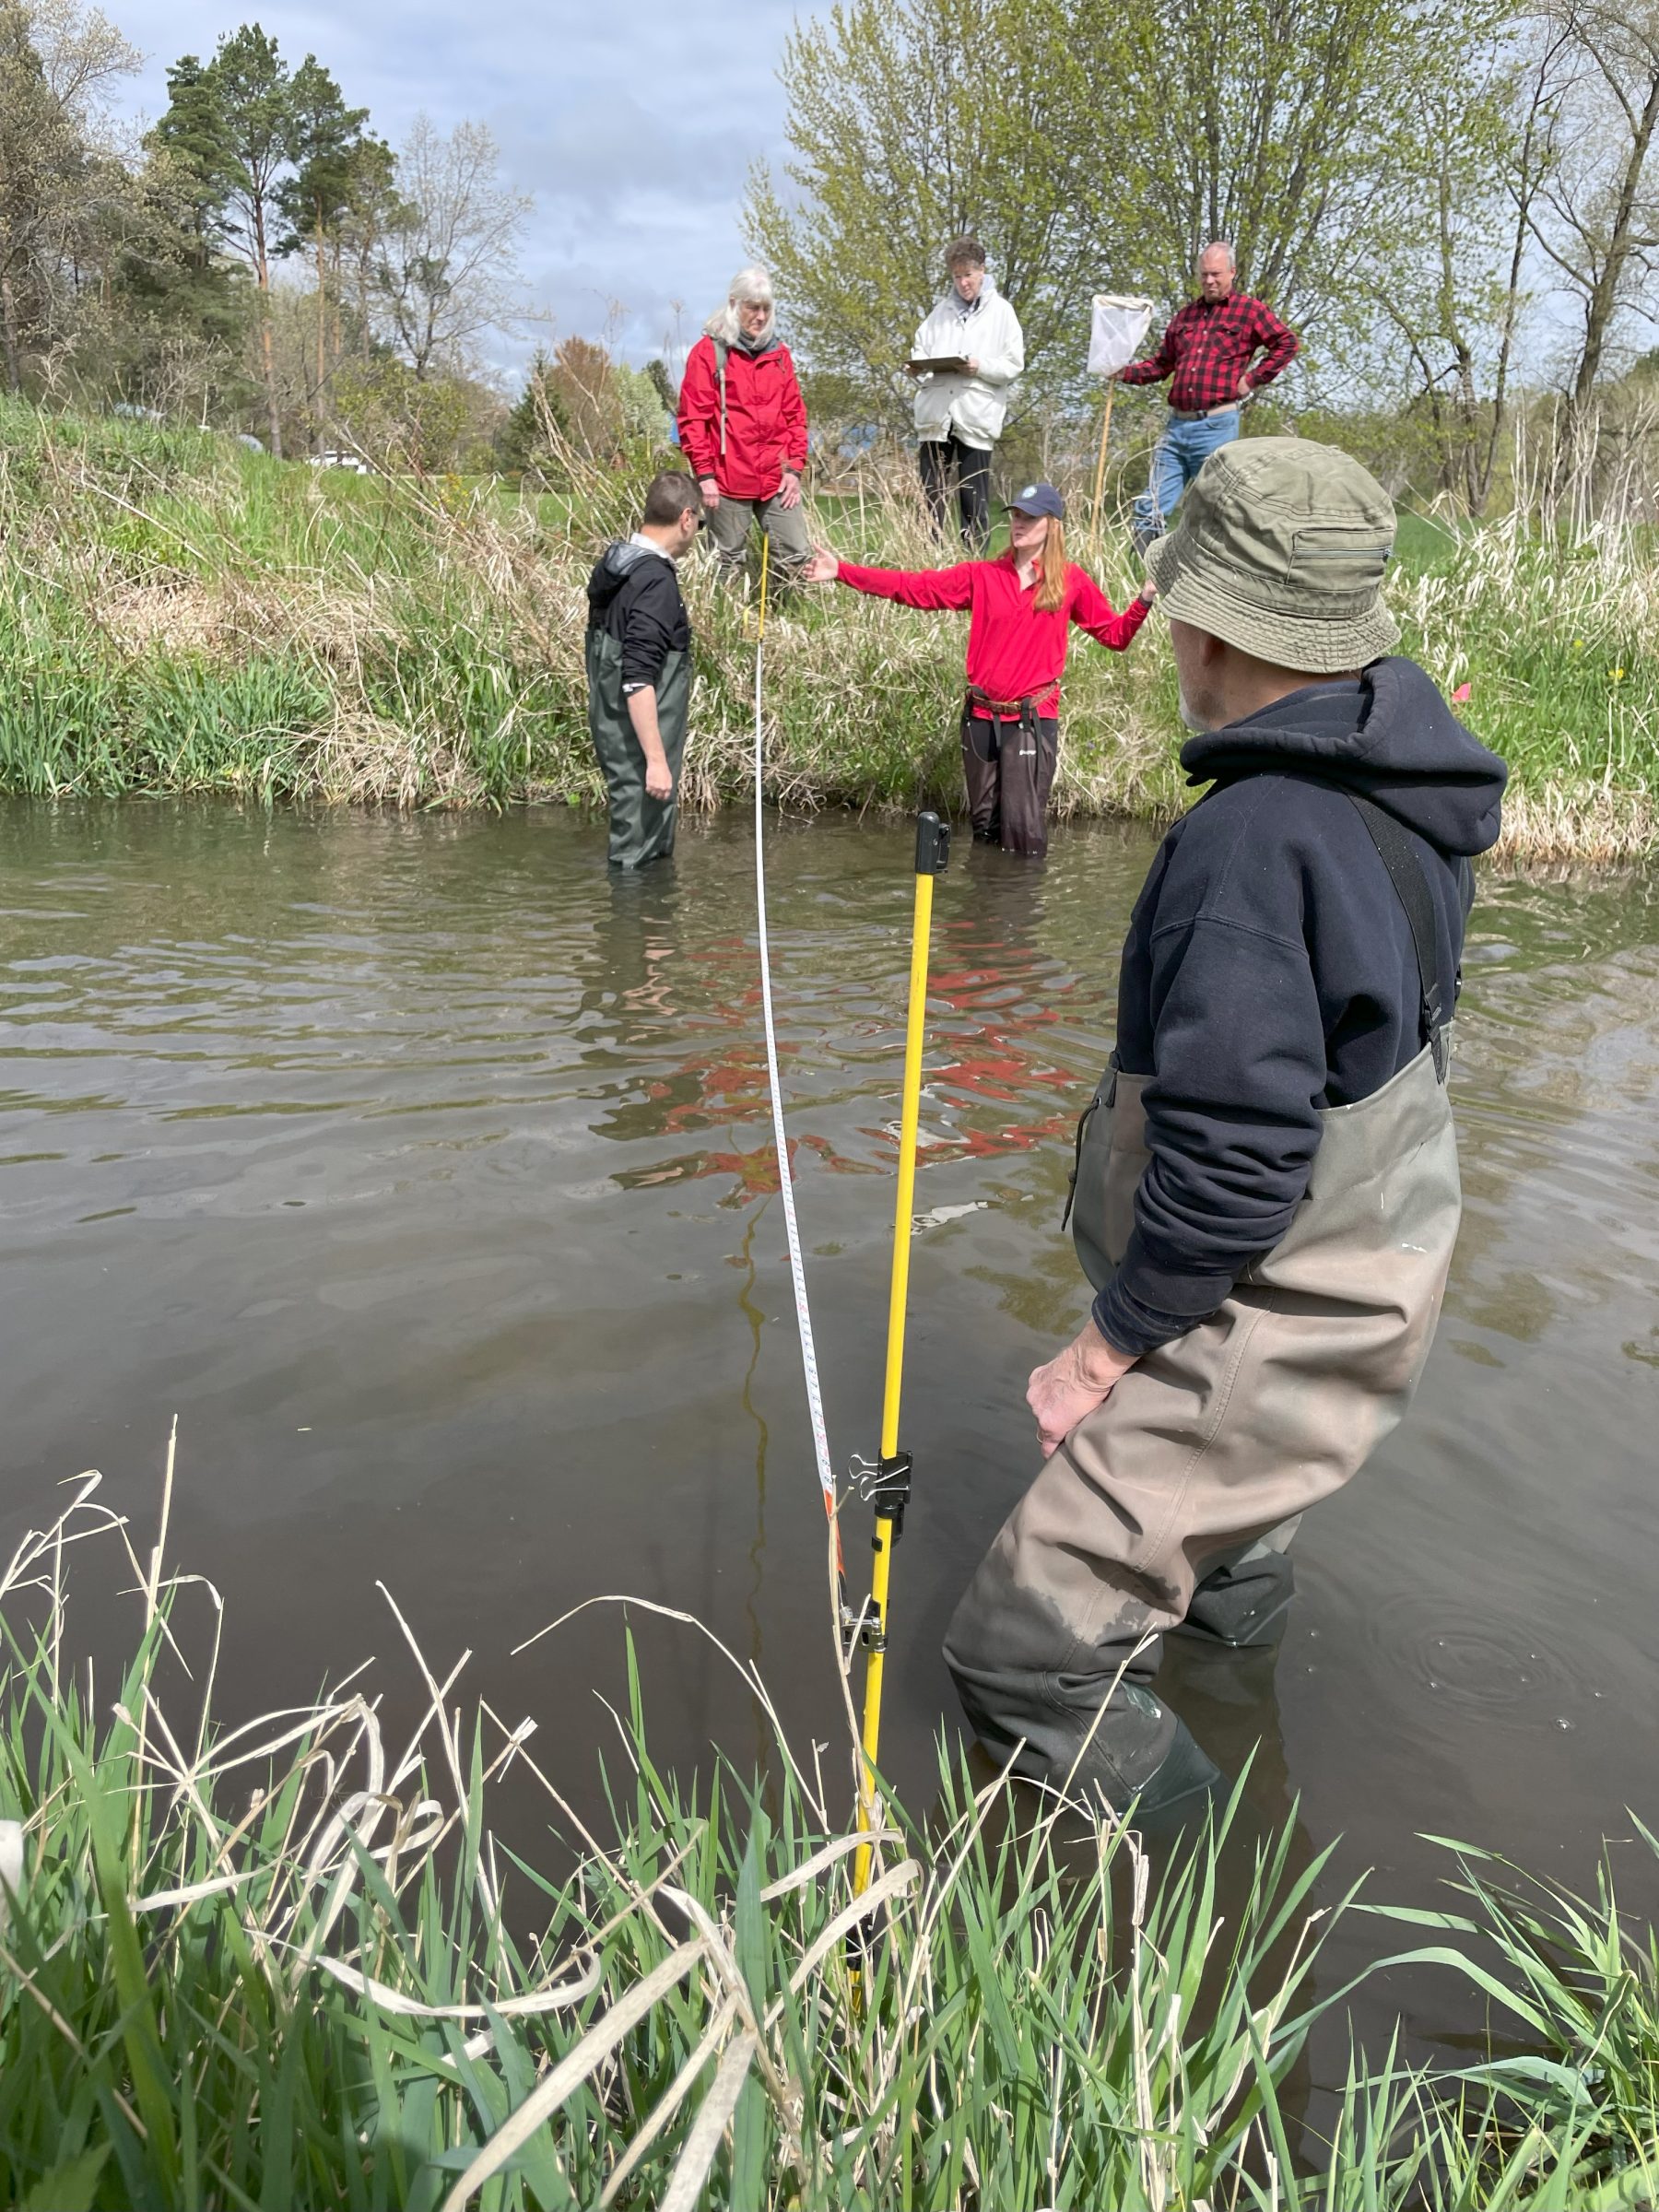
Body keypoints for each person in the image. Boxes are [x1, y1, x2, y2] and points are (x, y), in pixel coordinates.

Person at [942, 438, 1507, 1816]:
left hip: (1263, 1306)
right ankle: (1235, 1721)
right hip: (1370, 1285)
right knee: (1230, 1564)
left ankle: (1208, 1896)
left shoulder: (1251, 842)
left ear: (1209, 623)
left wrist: (1100, 1351)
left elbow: (1238, 1167)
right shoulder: (1405, 792)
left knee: (1021, 1653)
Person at [802, 483, 1152, 858]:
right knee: (984, 829)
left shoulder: (1071, 580)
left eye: (1029, 518)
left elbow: (1114, 636)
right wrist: (841, 570)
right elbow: (913, 587)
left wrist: (1144, 599)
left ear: (1052, 525)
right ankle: (984, 908)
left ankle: (1020, 910)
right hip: (980, 717)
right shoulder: (982, 575)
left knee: (1024, 834)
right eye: (1016, 516)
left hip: (1031, 721)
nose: (1018, 524)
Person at [1115, 242, 1299, 552]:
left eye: (1216, 274)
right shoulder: (1186, 316)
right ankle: (1140, 577)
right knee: (1152, 502)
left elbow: (1286, 342)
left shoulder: (1249, 311)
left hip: (1217, 425)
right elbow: (1162, 365)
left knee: (1213, 504)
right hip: (1177, 427)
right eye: (1204, 275)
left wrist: (1252, 380)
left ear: (1232, 272)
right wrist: (1123, 373)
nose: (1210, 281)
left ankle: (1208, 579)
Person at [584, 472, 704, 868]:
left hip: (617, 730)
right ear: (686, 518)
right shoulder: (655, 581)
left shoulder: (619, 566)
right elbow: (637, 677)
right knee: (638, 856)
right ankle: (634, 927)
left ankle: (644, 927)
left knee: (637, 848)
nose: (696, 531)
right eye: (699, 523)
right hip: (640, 746)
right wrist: (656, 759)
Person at [677, 266, 809, 581]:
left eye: (766, 308)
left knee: (796, 555)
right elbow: (692, 418)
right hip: (726, 478)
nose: (761, 317)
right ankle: (726, 626)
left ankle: (786, 620)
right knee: (726, 562)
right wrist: (705, 475)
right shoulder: (708, 353)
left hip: (776, 478)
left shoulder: (780, 355)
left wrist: (794, 469)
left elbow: (795, 416)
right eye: (753, 307)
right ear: (734, 304)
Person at [908, 236, 1025, 549]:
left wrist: (980, 366)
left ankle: (972, 570)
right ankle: (926, 564)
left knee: (973, 501)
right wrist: (917, 367)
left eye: (968, 275)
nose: (962, 283)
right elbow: (920, 347)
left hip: (976, 417)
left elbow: (1014, 365)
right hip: (936, 418)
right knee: (929, 500)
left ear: (982, 271)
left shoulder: (1002, 312)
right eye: (956, 276)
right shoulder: (940, 312)